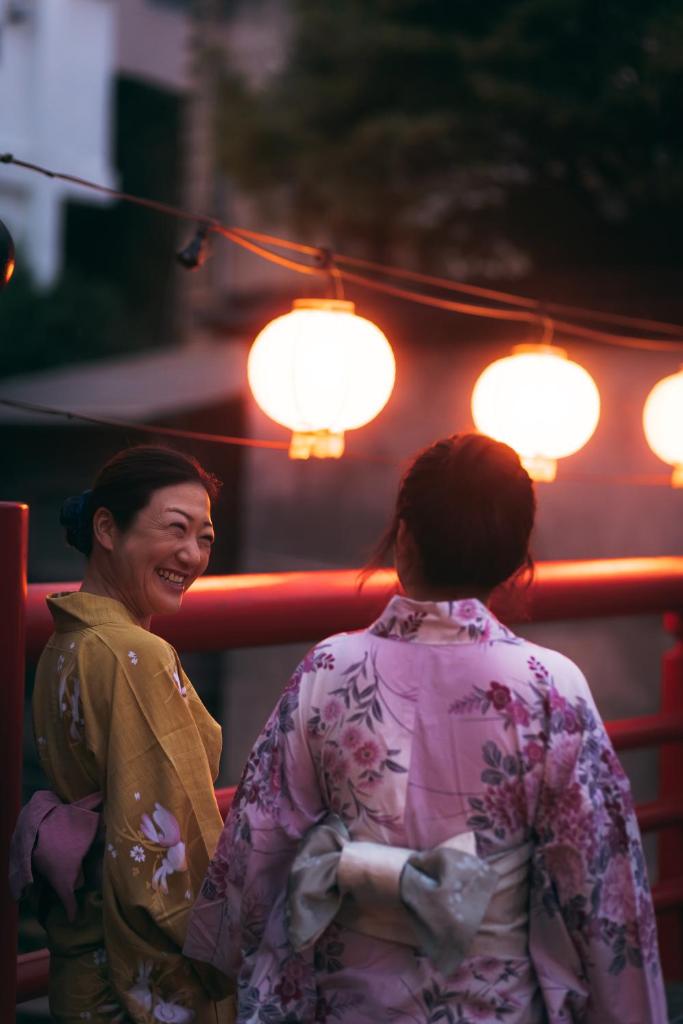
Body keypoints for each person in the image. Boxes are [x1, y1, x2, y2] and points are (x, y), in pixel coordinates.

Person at [184, 432, 666, 1023]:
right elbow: (600, 880)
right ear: (517, 559)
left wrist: (217, 956)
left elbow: (260, 837)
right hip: (497, 1005)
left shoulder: (329, 669)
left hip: (347, 1001)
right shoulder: (550, 687)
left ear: (403, 539)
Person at [18, 446, 233, 1023]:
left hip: (82, 958)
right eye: (175, 529)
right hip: (131, 973)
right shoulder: (134, 652)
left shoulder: (68, 639)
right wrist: (233, 949)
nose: (191, 554)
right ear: (107, 529)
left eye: (205, 537)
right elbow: (169, 848)